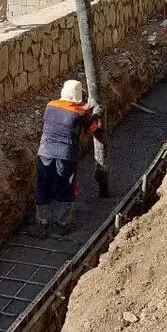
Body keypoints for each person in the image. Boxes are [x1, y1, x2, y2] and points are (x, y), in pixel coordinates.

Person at [33, 79, 102, 237]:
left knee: (44, 185)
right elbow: (93, 128)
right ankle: (63, 223)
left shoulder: (50, 106)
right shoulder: (80, 113)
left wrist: (84, 109)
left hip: (45, 152)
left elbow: (65, 113)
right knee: (65, 186)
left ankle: (42, 222)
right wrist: (95, 113)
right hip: (66, 155)